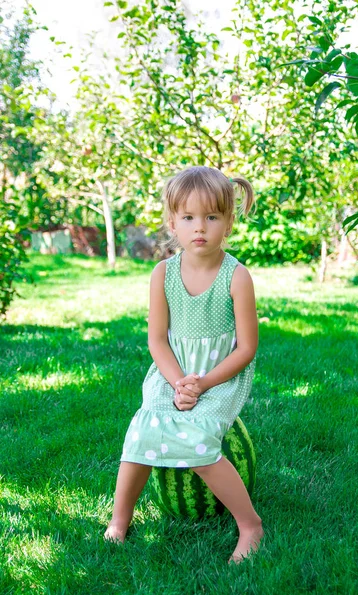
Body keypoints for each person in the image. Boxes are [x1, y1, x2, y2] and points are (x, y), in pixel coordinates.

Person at [105, 166, 264, 564]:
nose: (200, 228)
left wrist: (203, 384)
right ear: (171, 222)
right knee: (141, 431)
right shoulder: (163, 274)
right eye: (189, 217)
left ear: (228, 222)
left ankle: (250, 525)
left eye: (212, 217)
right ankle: (119, 522)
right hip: (170, 372)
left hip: (221, 376)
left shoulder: (237, 276)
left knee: (197, 440)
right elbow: (157, 339)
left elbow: (246, 349)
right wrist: (178, 383)